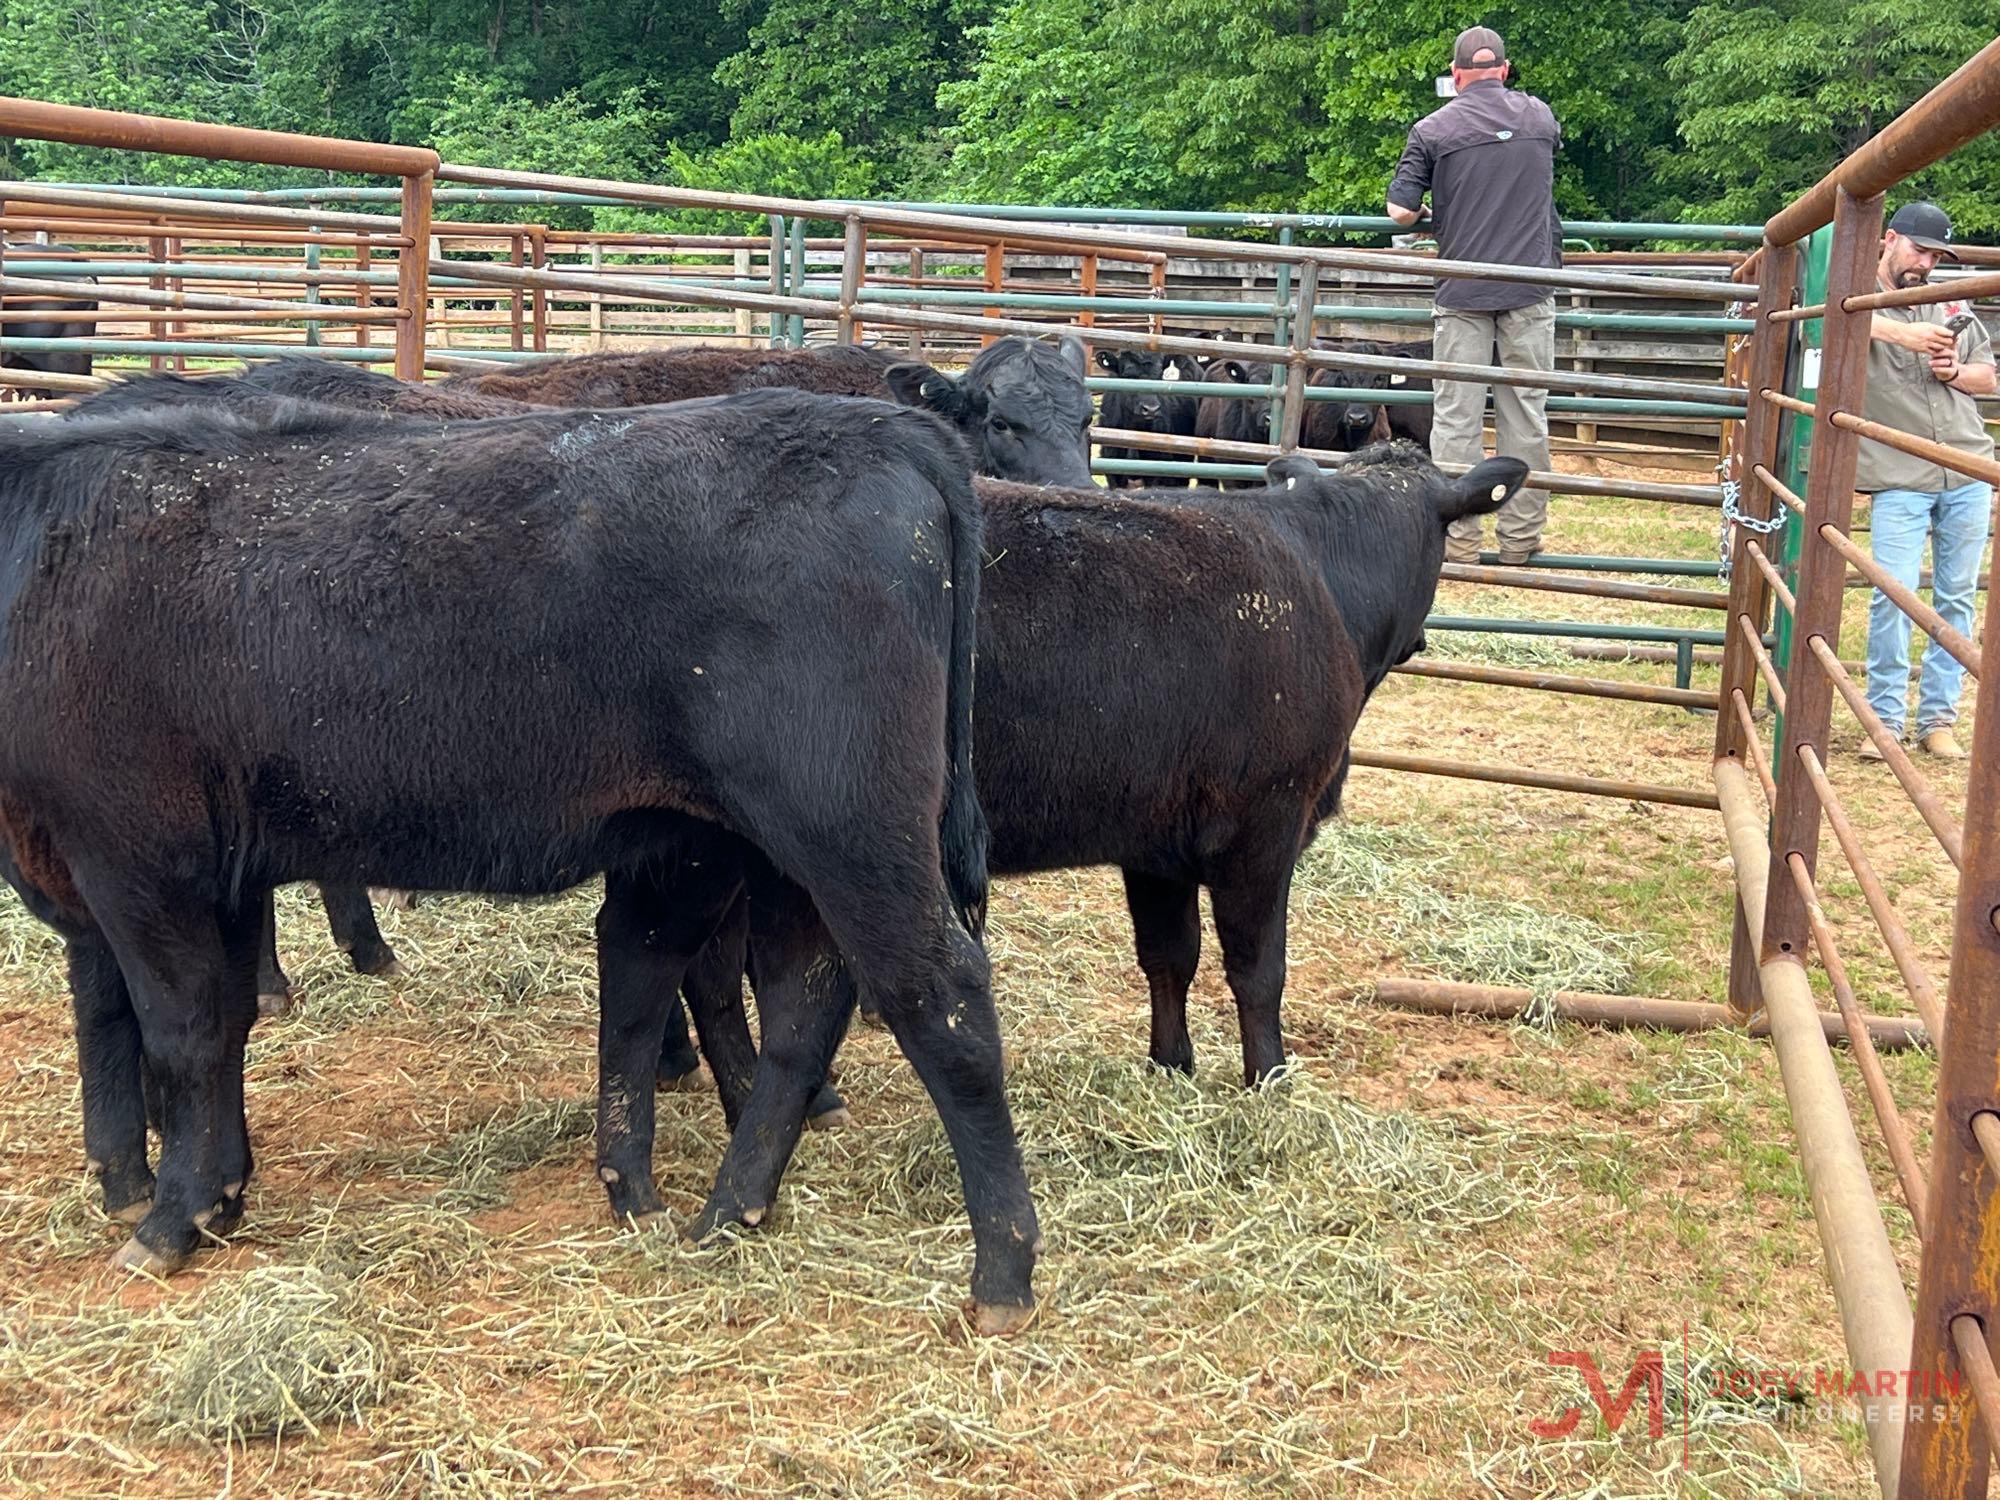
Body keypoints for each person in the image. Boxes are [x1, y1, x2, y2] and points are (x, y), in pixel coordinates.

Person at [1386, 25, 1563, 565]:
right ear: (1504, 70)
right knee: (1525, 418)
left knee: (1457, 421)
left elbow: (1399, 213)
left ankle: (1459, 544)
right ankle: (1520, 542)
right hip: (1531, 286)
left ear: (1456, 76)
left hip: (1463, 290)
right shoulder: (1540, 118)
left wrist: (1428, 211)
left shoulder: (1432, 129)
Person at [1855, 201, 1995, 762]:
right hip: (1898, 472)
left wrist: (1955, 372)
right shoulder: (1853, 292)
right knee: (1894, 594)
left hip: (1965, 463)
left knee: (1956, 598)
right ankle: (1883, 720)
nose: (1927, 263)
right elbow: (1825, 320)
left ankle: (1939, 719)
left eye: (1936, 255)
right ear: (1888, 240)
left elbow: (1989, 373)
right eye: (1919, 250)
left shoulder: (1949, 301)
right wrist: (1903, 335)